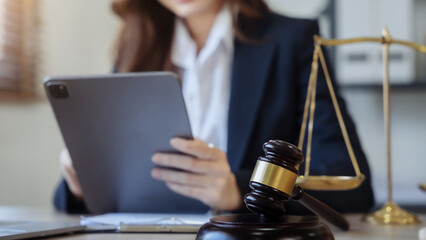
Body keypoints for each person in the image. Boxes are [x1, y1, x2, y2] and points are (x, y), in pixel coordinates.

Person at [54, 0, 375, 214]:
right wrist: (82, 184)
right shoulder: (139, 47)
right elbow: (66, 197)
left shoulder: (293, 40)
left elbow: (350, 183)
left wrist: (240, 189)